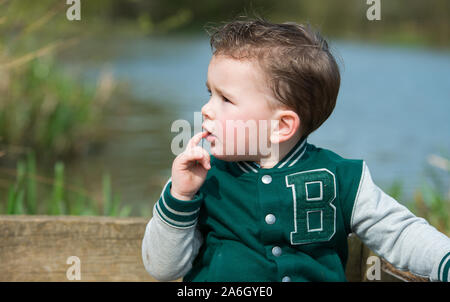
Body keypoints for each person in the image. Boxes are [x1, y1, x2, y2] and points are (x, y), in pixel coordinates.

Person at [141, 18, 450, 282]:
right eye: (210, 94)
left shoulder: (342, 178)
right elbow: (162, 268)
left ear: (281, 126)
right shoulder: (201, 179)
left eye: (226, 100)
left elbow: (400, 233)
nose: (206, 109)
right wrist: (180, 197)